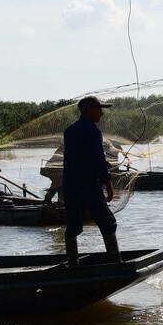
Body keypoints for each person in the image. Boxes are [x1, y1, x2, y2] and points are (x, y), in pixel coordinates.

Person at [61, 96, 120, 266]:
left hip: (71, 186)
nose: (101, 113)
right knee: (108, 223)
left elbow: (78, 157)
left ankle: (73, 265)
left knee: (73, 226)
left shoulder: (70, 130)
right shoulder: (92, 131)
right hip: (89, 186)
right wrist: (108, 186)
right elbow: (96, 161)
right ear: (88, 110)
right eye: (98, 109)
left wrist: (100, 162)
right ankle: (115, 264)